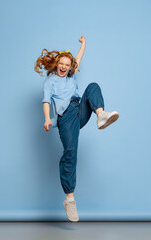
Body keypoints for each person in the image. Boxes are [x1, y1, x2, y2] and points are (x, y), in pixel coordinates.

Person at [34, 36, 119, 222]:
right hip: (65, 119)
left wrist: (84, 44)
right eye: (61, 64)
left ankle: (101, 115)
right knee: (70, 153)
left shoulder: (71, 75)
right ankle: (69, 198)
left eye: (67, 64)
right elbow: (46, 101)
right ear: (56, 65)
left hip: (78, 109)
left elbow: (78, 59)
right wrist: (47, 119)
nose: (64, 67)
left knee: (93, 86)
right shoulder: (50, 82)